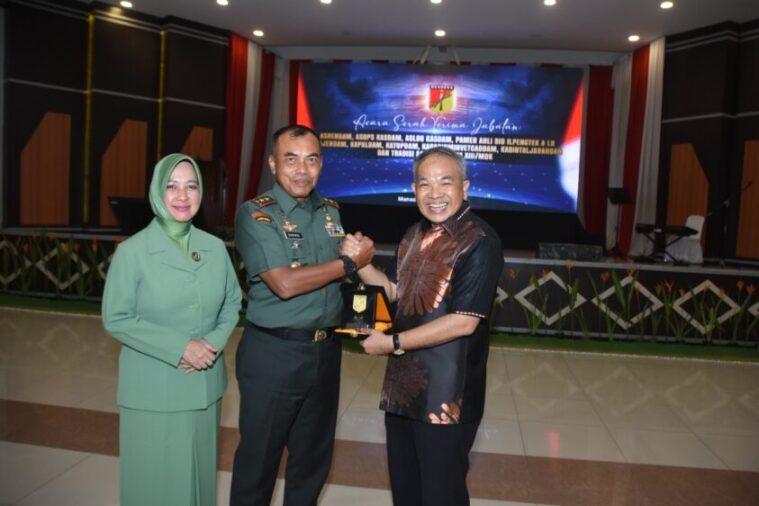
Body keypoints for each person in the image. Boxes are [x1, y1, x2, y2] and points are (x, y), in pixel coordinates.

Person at [343, 146, 503, 506]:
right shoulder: (413, 234)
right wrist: (360, 262)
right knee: (407, 492)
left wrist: (391, 343)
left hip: (447, 399)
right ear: (414, 189)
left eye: (445, 182)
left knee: (440, 495)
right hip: (403, 391)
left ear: (465, 187)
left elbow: (463, 322)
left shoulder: (480, 241)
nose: (434, 193)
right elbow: (395, 292)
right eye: (425, 184)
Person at [230, 124, 375, 506]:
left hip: (325, 353)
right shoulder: (256, 214)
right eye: (291, 159)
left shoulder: (330, 212)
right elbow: (284, 283)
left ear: (321, 164)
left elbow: (344, 274)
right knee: (258, 465)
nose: (301, 170)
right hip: (274, 354)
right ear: (273, 163)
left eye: (311, 160)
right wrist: (348, 263)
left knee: (311, 464)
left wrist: (357, 258)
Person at [102, 153, 242, 506]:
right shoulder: (133, 252)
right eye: (172, 186)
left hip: (204, 386)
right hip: (153, 390)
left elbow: (232, 302)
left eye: (191, 186)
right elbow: (116, 317)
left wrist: (210, 344)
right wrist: (181, 347)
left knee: (198, 483)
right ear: (156, 192)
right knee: (155, 486)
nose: (183, 195)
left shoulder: (214, 249)